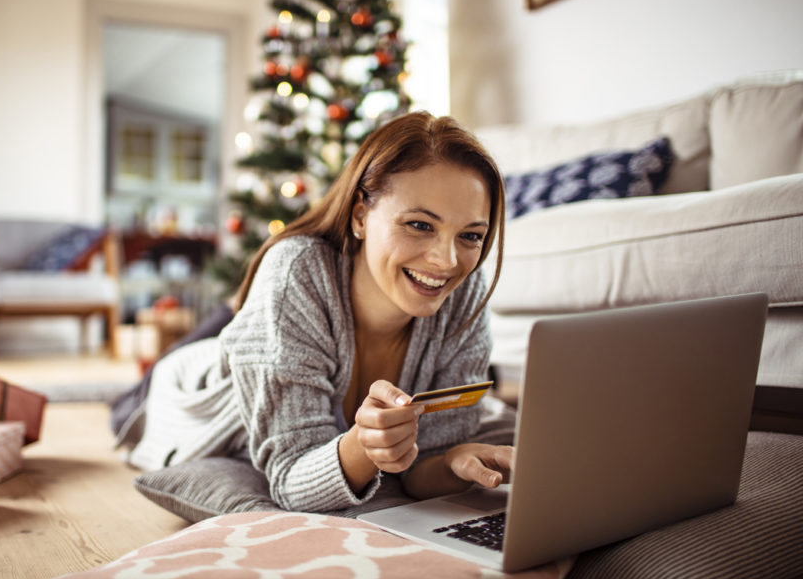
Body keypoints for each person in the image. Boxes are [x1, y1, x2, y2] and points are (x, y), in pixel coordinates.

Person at [125, 111, 515, 513]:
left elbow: (425, 462)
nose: (447, 260)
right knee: (135, 394)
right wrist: (362, 447)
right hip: (190, 392)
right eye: (419, 225)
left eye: (470, 235)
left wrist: (452, 463)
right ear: (360, 216)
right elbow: (291, 478)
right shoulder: (297, 270)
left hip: (282, 330)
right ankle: (233, 318)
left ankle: (240, 313)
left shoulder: (464, 291)